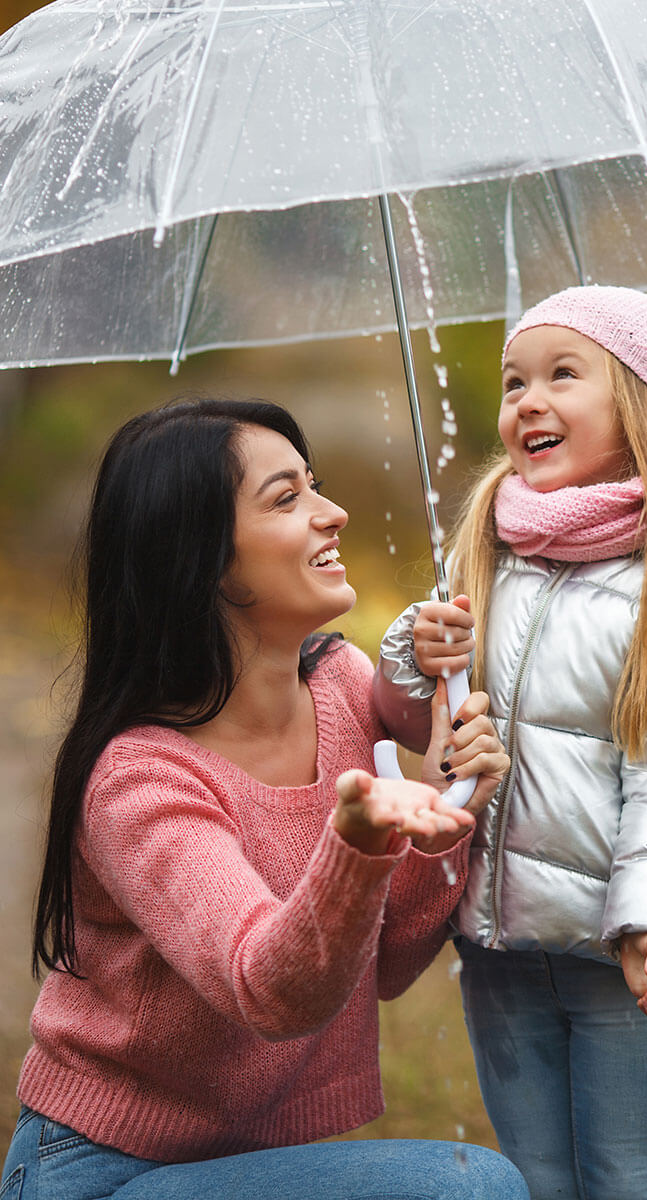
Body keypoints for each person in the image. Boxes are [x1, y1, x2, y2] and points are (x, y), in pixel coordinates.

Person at [1, 397, 528, 1200]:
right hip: (108, 1174)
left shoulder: (342, 688)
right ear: (200, 557)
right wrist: (356, 847)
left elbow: (378, 966)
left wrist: (445, 813)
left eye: (313, 485)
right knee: (469, 1188)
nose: (334, 512)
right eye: (288, 499)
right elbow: (272, 991)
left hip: (250, 1166)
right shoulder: (140, 781)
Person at [373, 286, 647, 1200]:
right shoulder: (493, 539)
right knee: (534, 1184)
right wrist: (416, 655)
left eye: (565, 374)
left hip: (627, 948)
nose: (529, 400)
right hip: (500, 942)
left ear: (642, 398)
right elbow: (426, 730)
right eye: (514, 380)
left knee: (629, 1182)